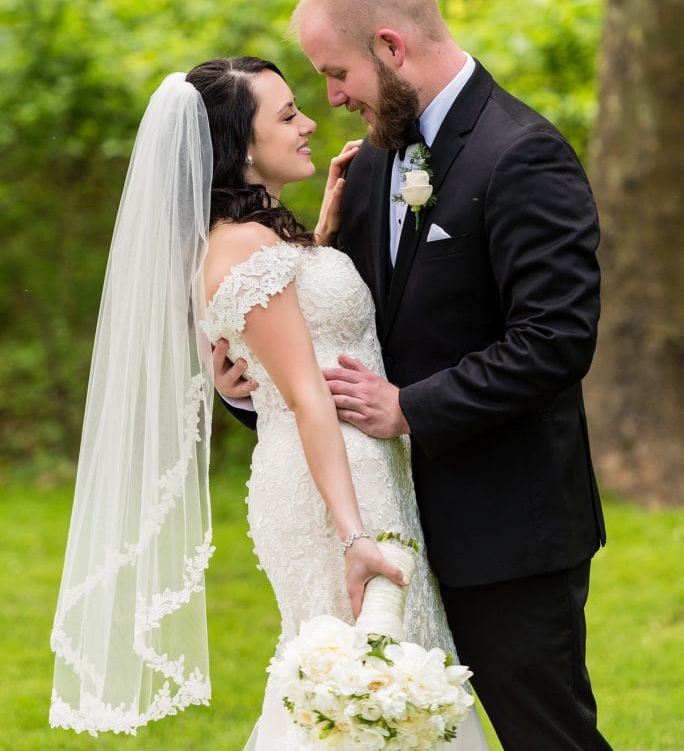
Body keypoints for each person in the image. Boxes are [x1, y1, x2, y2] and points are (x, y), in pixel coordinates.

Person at [217, 0, 613, 750]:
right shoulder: (369, 162)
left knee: (547, 737)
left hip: (503, 527)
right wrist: (247, 385)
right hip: (388, 521)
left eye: (336, 71)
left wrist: (410, 408)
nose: (329, 97)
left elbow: (556, 338)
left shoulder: (521, 153)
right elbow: (345, 326)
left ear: (392, 48)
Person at [50, 56, 488, 751]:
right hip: (328, 488)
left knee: (386, 675)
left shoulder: (264, 239)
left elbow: (298, 328)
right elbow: (308, 395)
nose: (310, 122)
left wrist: (322, 234)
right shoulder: (243, 250)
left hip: (359, 466)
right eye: (287, 116)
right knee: (351, 686)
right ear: (238, 146)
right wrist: (352, 536)